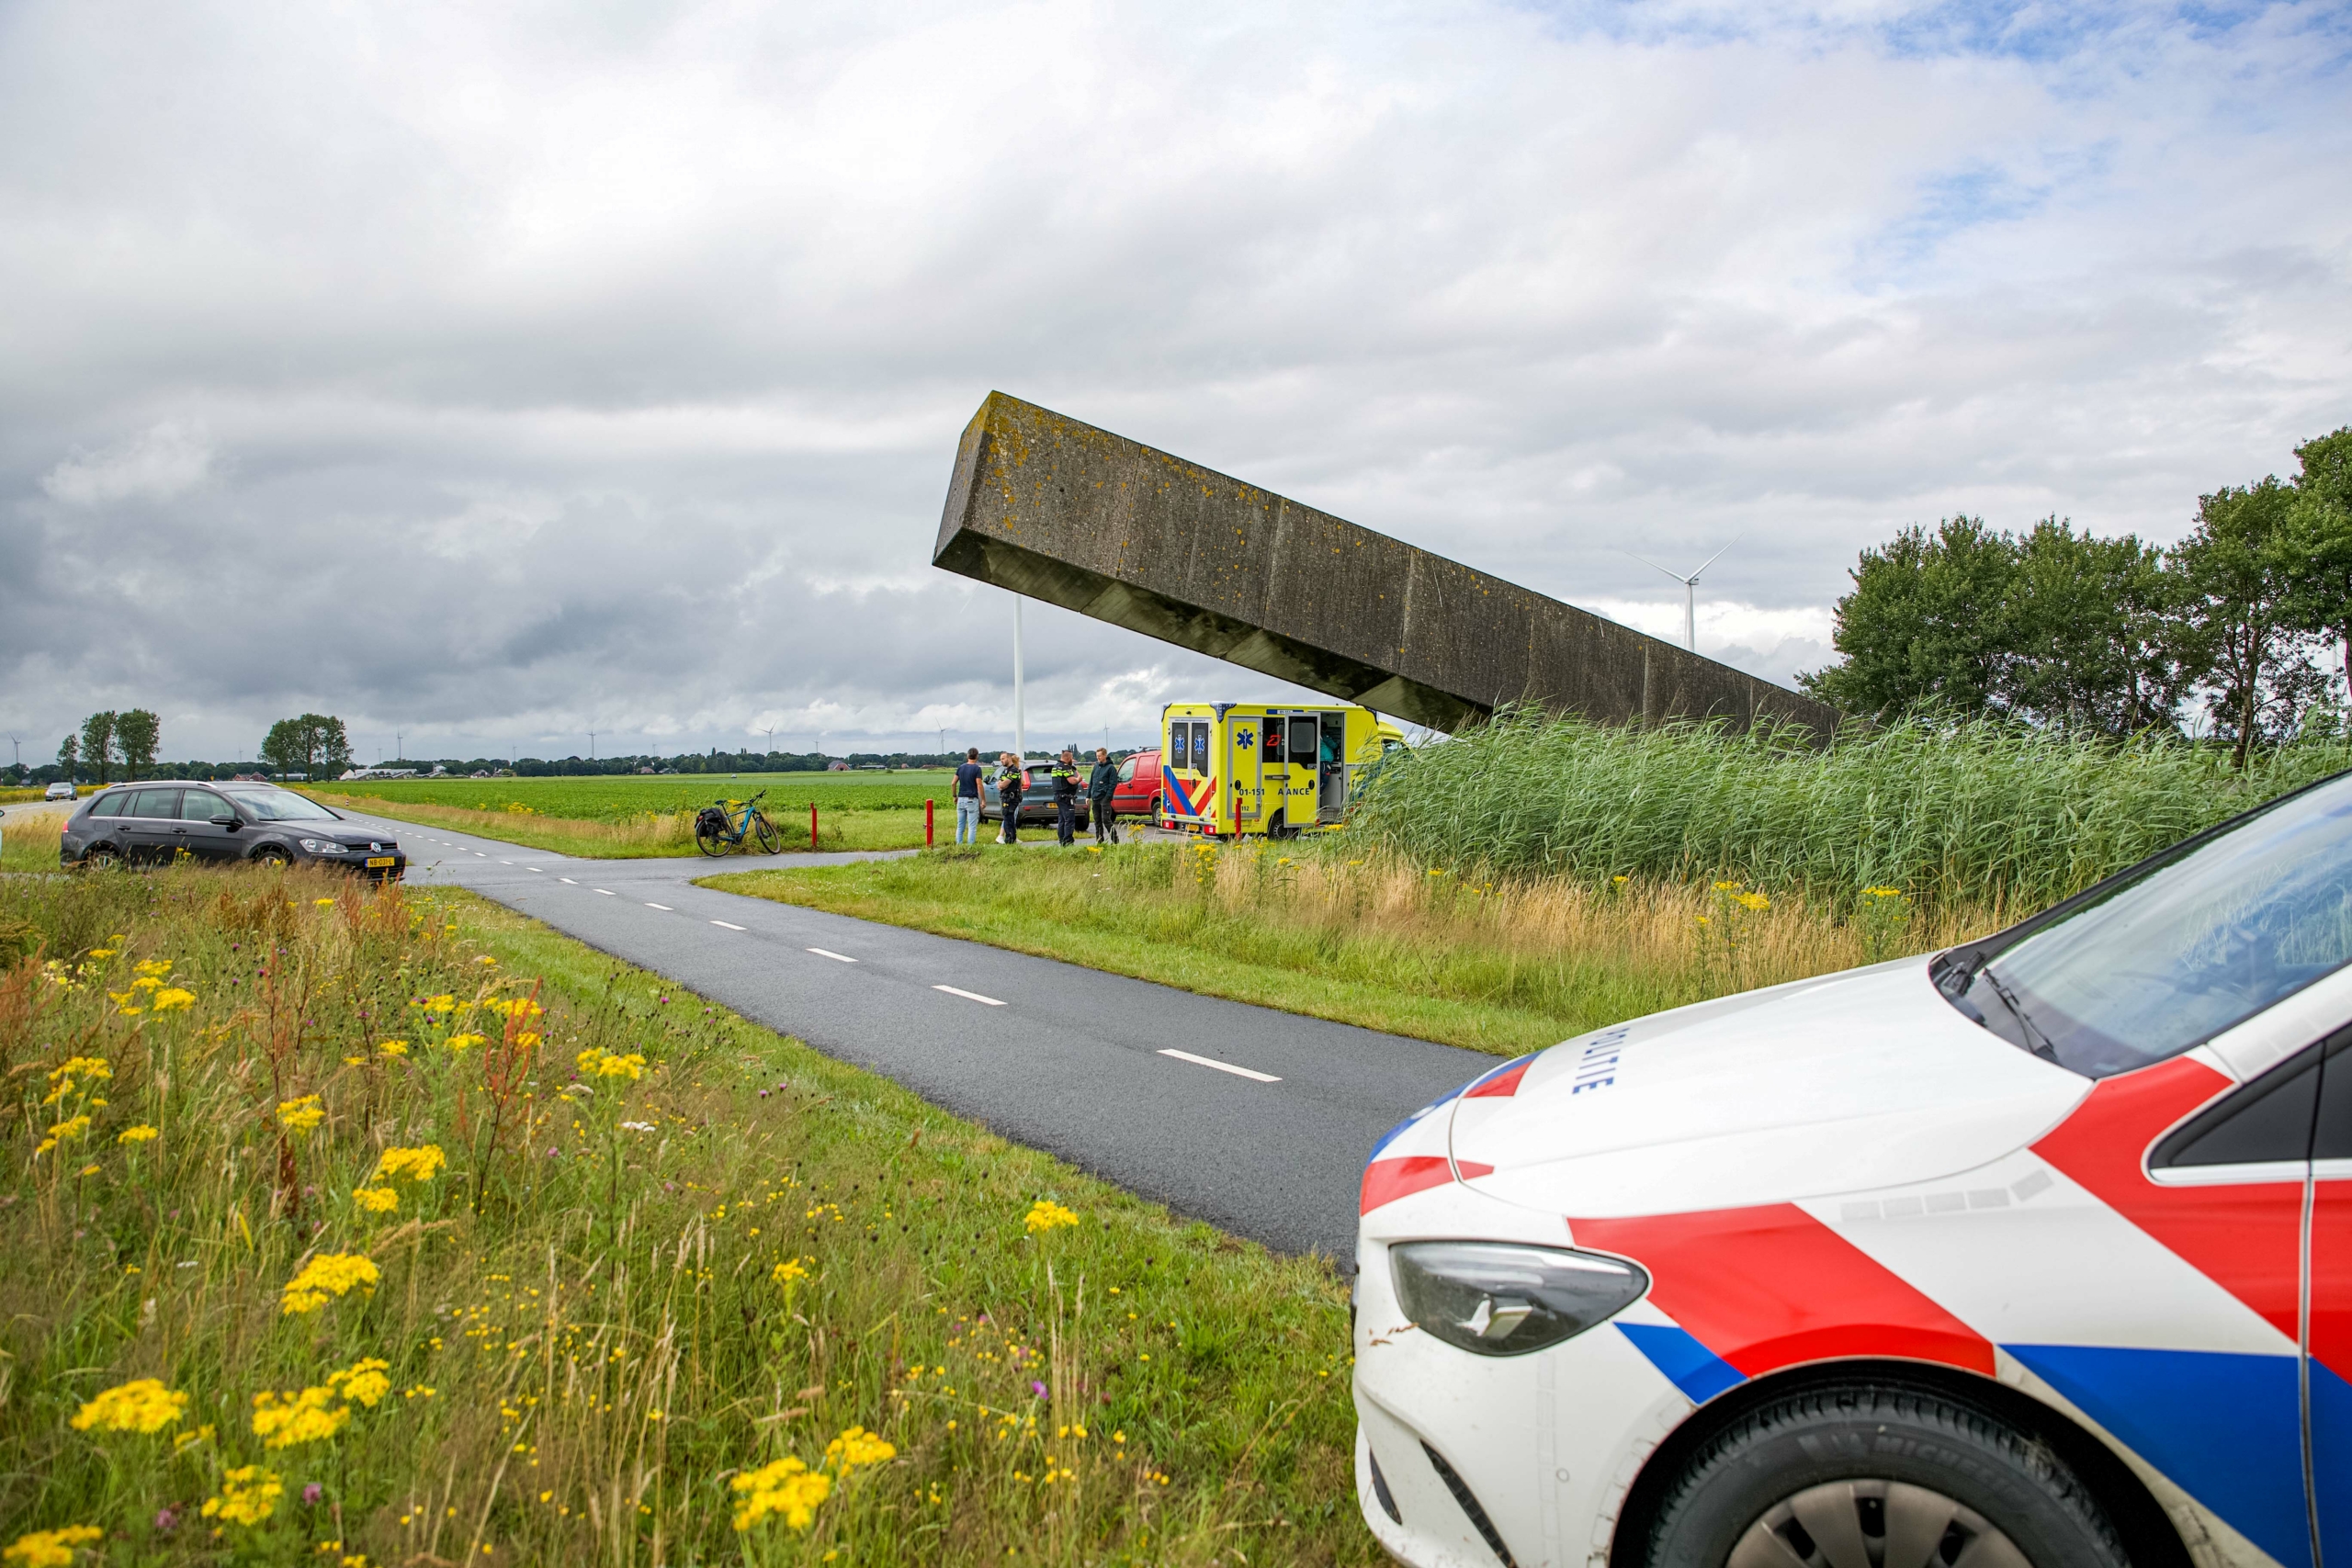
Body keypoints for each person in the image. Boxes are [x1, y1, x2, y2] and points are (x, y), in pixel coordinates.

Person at [1088, 747, 1121, 844]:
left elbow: (1113, 784)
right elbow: (1091, 782)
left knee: (1106, 820)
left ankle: (1115, 841)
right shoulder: (1096, 767)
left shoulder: (1110, 768)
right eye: (1097, 756)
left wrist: (1108, 797)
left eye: (1099, 756)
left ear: (1105, 755)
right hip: (1095, 797)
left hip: (1104, 798)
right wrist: (1088, 796)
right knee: (1097, 821)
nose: (1098, 758)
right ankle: (1099, 841)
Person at [1050, 747, 1082, 847]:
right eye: (1071, 758)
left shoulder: (1055, 767)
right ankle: (1068, 842)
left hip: (1058, 796)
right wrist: (1079, 779)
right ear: (1068, 758)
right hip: (1066, 797)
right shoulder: (1065, 768)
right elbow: (1072, 781)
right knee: (1069, 820)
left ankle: (1062, 841)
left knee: (1062, 820)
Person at [953, 747, 985, 845]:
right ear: (977, 756)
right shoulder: (977, 769)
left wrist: (954, 796)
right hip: (972, 799)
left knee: (960, 825)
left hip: (961, 799)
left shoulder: (961, 768)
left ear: (967, 756)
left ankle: (959, 845)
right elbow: (979, 785)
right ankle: (970, 846)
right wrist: (983, 800)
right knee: (972, 826)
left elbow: (953, 783)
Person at [995, 751, 1024, 844]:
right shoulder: (1006, 770)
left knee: (1009, 819)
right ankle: (1011, 838)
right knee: (1008, 818)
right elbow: (999, 784)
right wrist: (1002, 784)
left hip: (1011, 798)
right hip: (1006, 797)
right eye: (1000, 759)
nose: (1001, 761)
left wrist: (1003, 785)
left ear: (1008, 758)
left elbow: (1004, 784)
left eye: (1003, 759)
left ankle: (1010, 839)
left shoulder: (1014, 770)